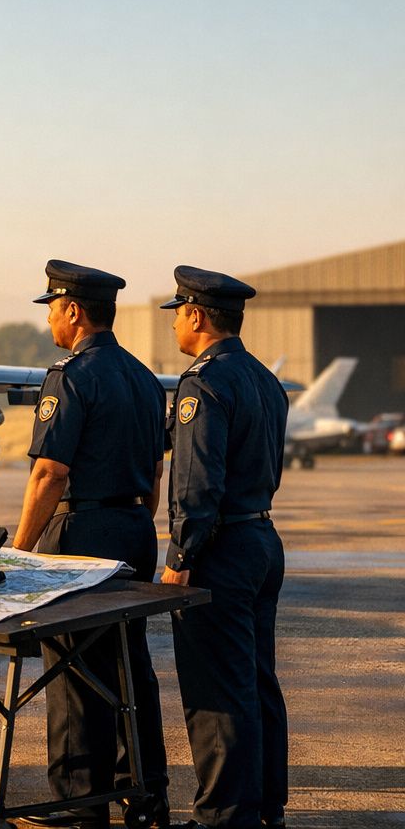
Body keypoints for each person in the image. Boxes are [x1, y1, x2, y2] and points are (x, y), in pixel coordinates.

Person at [14, 260, 170, 829]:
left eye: (52, 309)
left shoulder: (70, 375)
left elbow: (49, 473)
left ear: (73, 311)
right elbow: (156, 471)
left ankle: (79, 802)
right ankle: (144, 791)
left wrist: (22, 549)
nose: (50, 321)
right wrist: (132, 521)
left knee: (74, 667)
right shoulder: (145, 377)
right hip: (134, 527)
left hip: (82, 531)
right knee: (130, 663)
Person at [158, 267, 289, 829]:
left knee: (218, 690)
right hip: (261, 536)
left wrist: (180, 557)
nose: (176, 326)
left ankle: (223, 818)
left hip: (220, 548)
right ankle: (264, 808)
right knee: (257, 680)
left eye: (178, 315)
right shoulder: (263, 377)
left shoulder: (203, 381)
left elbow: (196, 484)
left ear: (195, 315)